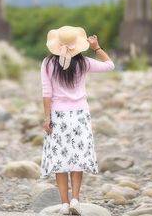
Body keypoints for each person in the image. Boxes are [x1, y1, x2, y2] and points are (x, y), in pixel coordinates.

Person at [40, 26, 115, 215]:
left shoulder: (48, 64)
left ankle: (64, 204)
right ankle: (75, 200)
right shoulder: (84, 63)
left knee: (60, 161)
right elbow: (109, 65)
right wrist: (96, 48)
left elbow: (47, 93)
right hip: (80, 116)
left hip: (58, 116)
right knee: (77, 159)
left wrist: (47, 118)